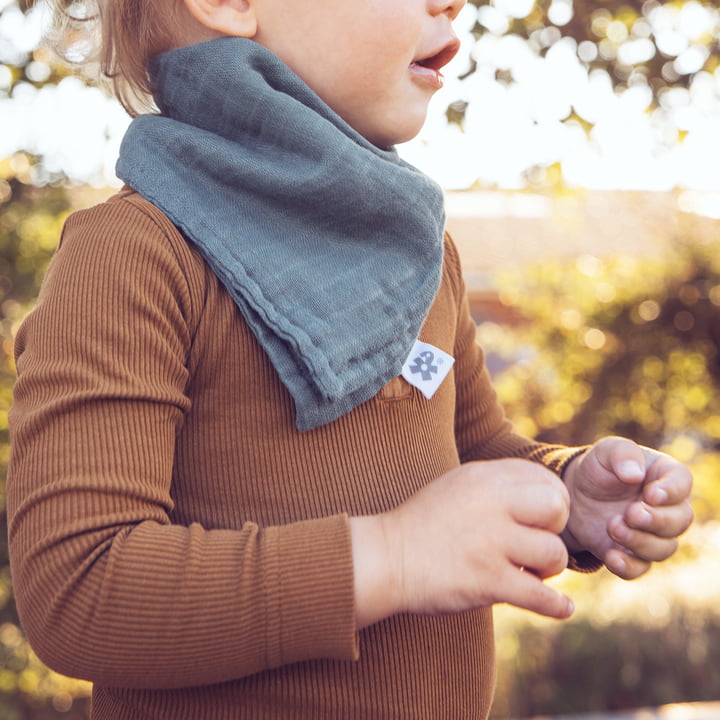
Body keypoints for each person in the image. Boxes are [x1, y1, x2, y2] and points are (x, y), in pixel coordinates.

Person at [7, 0, 693, 718]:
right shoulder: (133, 256)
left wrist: (567, 492)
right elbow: (77, 589)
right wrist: (395, 557)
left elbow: (475, 461)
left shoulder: (420, 259)